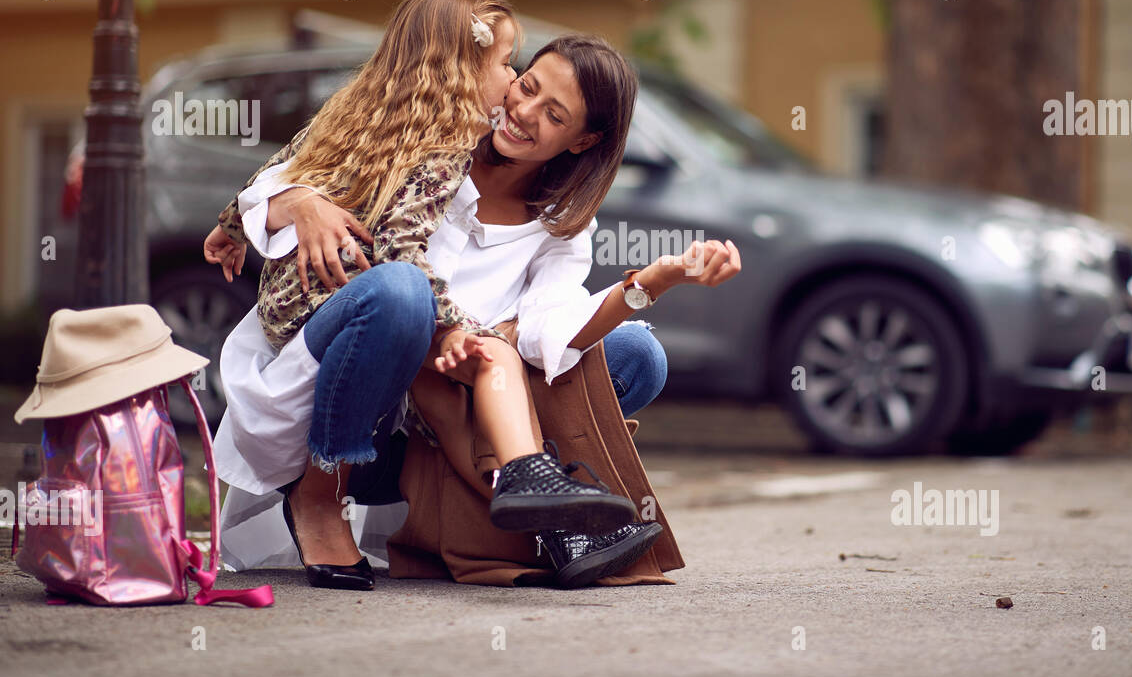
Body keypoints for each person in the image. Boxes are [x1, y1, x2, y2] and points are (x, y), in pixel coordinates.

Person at [209, 34, 742, 588]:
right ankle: (328, 493)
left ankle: (537, 502)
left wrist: (654, 281)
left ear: (583, 141)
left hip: (456, 399)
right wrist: (301, 202)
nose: (523, 111)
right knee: (404, 296)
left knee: (637, 354)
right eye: (527, 85)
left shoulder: (560, 222)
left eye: (553, 114)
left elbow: (548, 333)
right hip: (358, 390)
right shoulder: (435, 137)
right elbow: (288, 172)